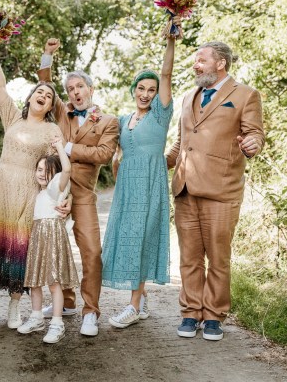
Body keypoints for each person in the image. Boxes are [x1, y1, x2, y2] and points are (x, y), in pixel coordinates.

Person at [166, 41, 264, 341]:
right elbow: (181, 144)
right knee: (189, 257)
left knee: (218, 258)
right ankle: (190, 312)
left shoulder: (245, 95)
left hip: (222, 190)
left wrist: (252, 144)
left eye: (201, 60)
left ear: (220, 63)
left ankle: (213, 316)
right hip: (185, 189)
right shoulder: (187, 97)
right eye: (196, 61)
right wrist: (152, 162)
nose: (196, 65)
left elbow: (255, 133)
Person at [0, 40, 64, 329]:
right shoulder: (12, 118)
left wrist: (63, 197)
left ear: (50, 106)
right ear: (30, 97)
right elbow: (0, 87)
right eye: (40, 91)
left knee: (18, 248)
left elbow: (57, 170)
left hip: (27, 192)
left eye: (48, 95)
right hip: (1, 187)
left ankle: (14, 305)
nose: (43, 95)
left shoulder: (52, 129)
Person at [36, 39, 119, 336]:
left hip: (83, 193)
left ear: (90, 89)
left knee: (92, 252)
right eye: (70, 89)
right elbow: (43, 84)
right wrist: (47, 55)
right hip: (55, 190)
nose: (74, 93)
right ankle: (66, 302)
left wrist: (70, 147)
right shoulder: (61, 111)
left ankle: (90, 311)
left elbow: (103, 155)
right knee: (51, 247)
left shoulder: (108, 121)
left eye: (79, 88)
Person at [101, 25, 178, 329]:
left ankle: (133, 306)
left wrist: (170, 41)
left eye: (151, 89)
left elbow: (167, 74)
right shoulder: (122, 120)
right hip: (126, 190)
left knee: (143, 241)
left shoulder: (161, 113)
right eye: (141, 88)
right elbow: (114, 155)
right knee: (129, 240)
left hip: (150, 187)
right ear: (133, 90)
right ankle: (141, 300)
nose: (146, 94)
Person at [18, 139, 79, 343]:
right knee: (34, 281)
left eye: (47, 170)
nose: (41, 173)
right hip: (37, 237)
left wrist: (60, 147)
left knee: (54, 283)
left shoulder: (55, 189)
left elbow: (68, 169)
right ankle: (36, 317)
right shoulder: (40, 192)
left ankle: (57, 323)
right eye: (39, 169)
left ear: (56, 175)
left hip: (52, 236)